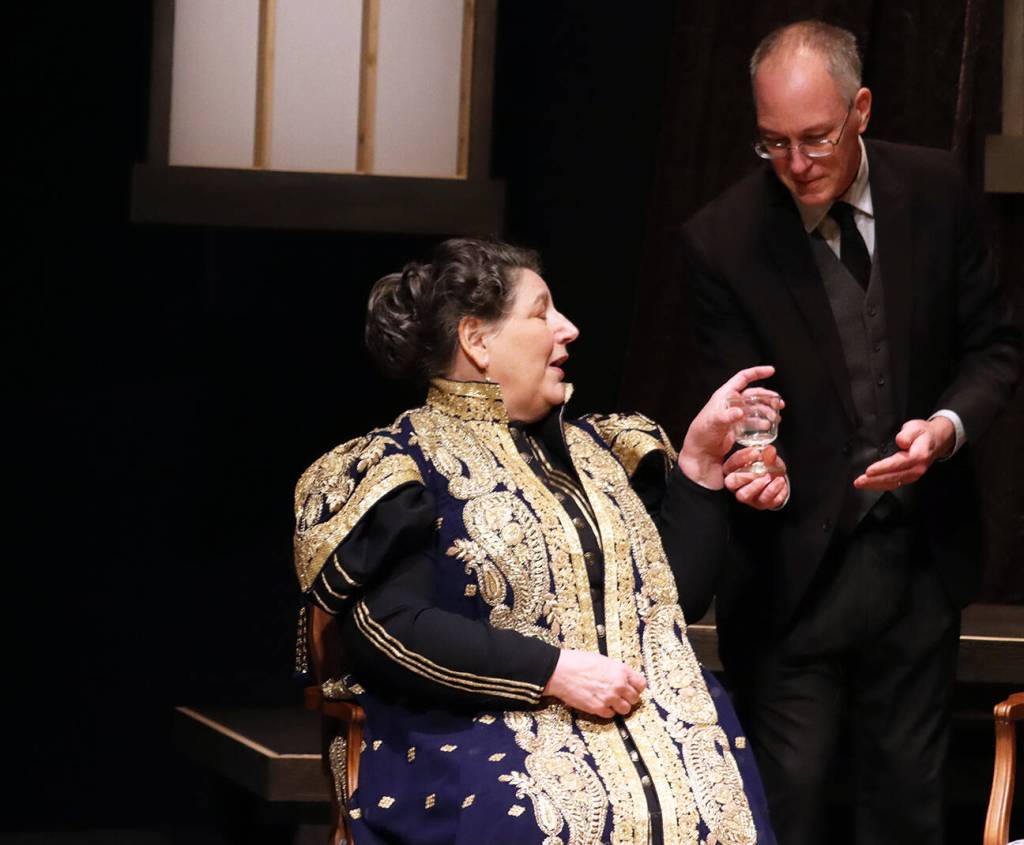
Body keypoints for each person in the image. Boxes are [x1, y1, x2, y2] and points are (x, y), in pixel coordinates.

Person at [293, 238, 781, 845]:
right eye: (542, 312)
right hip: (478, 735)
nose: (568, 329)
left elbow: (668, 603)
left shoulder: (606, 452)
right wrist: (553, 671)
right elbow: (389, 628)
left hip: (659, 740)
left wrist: (702, 466)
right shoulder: (403, 465)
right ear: (477, 340)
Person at [681, 20, 1020, 845]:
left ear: (860, 108)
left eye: (815, 138)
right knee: (787, 807)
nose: (796, 165)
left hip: (917, 564)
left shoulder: (936, 190)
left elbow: (996, 347)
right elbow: (743, 397)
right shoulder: (722, 240)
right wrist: (764, 466)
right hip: (792, 576)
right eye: (773, 145)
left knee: (908, 803)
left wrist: (944, 428)